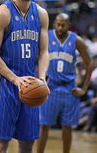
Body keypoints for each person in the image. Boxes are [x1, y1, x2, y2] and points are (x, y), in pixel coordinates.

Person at [0, 0, 49, 153]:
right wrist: (15, 79)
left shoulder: (41, 14)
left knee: (28, 142)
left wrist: (42, 77)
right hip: (5, 85)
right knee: (1, 143)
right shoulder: (2, 14)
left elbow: (44, 51)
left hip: (30, 83)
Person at [37, 13, 93, 153]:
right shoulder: (46, 36)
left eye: (63, 24)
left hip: (69, 88)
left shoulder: (76, 40)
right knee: (44, 126)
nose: (60, 27)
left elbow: (89, 64)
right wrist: (40, 79)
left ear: (69, 25)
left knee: (67, 127)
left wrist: (84, 88)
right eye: (58, 24)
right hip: (51, 87)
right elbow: (35, 59)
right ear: (54, 23)